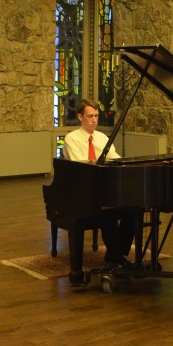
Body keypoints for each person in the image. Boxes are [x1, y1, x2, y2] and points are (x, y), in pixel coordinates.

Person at [63, 98, 135, 267]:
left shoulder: (102, 138)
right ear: (80, 117)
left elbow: (114, 159)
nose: (94, 120)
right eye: (90, 116)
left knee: (132, 210)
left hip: (103, 188)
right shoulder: (71, 139)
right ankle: (116, 256)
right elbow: (80, 167)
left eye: (96, 116)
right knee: (107, 211)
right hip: (82, 191)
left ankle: (115, 253)